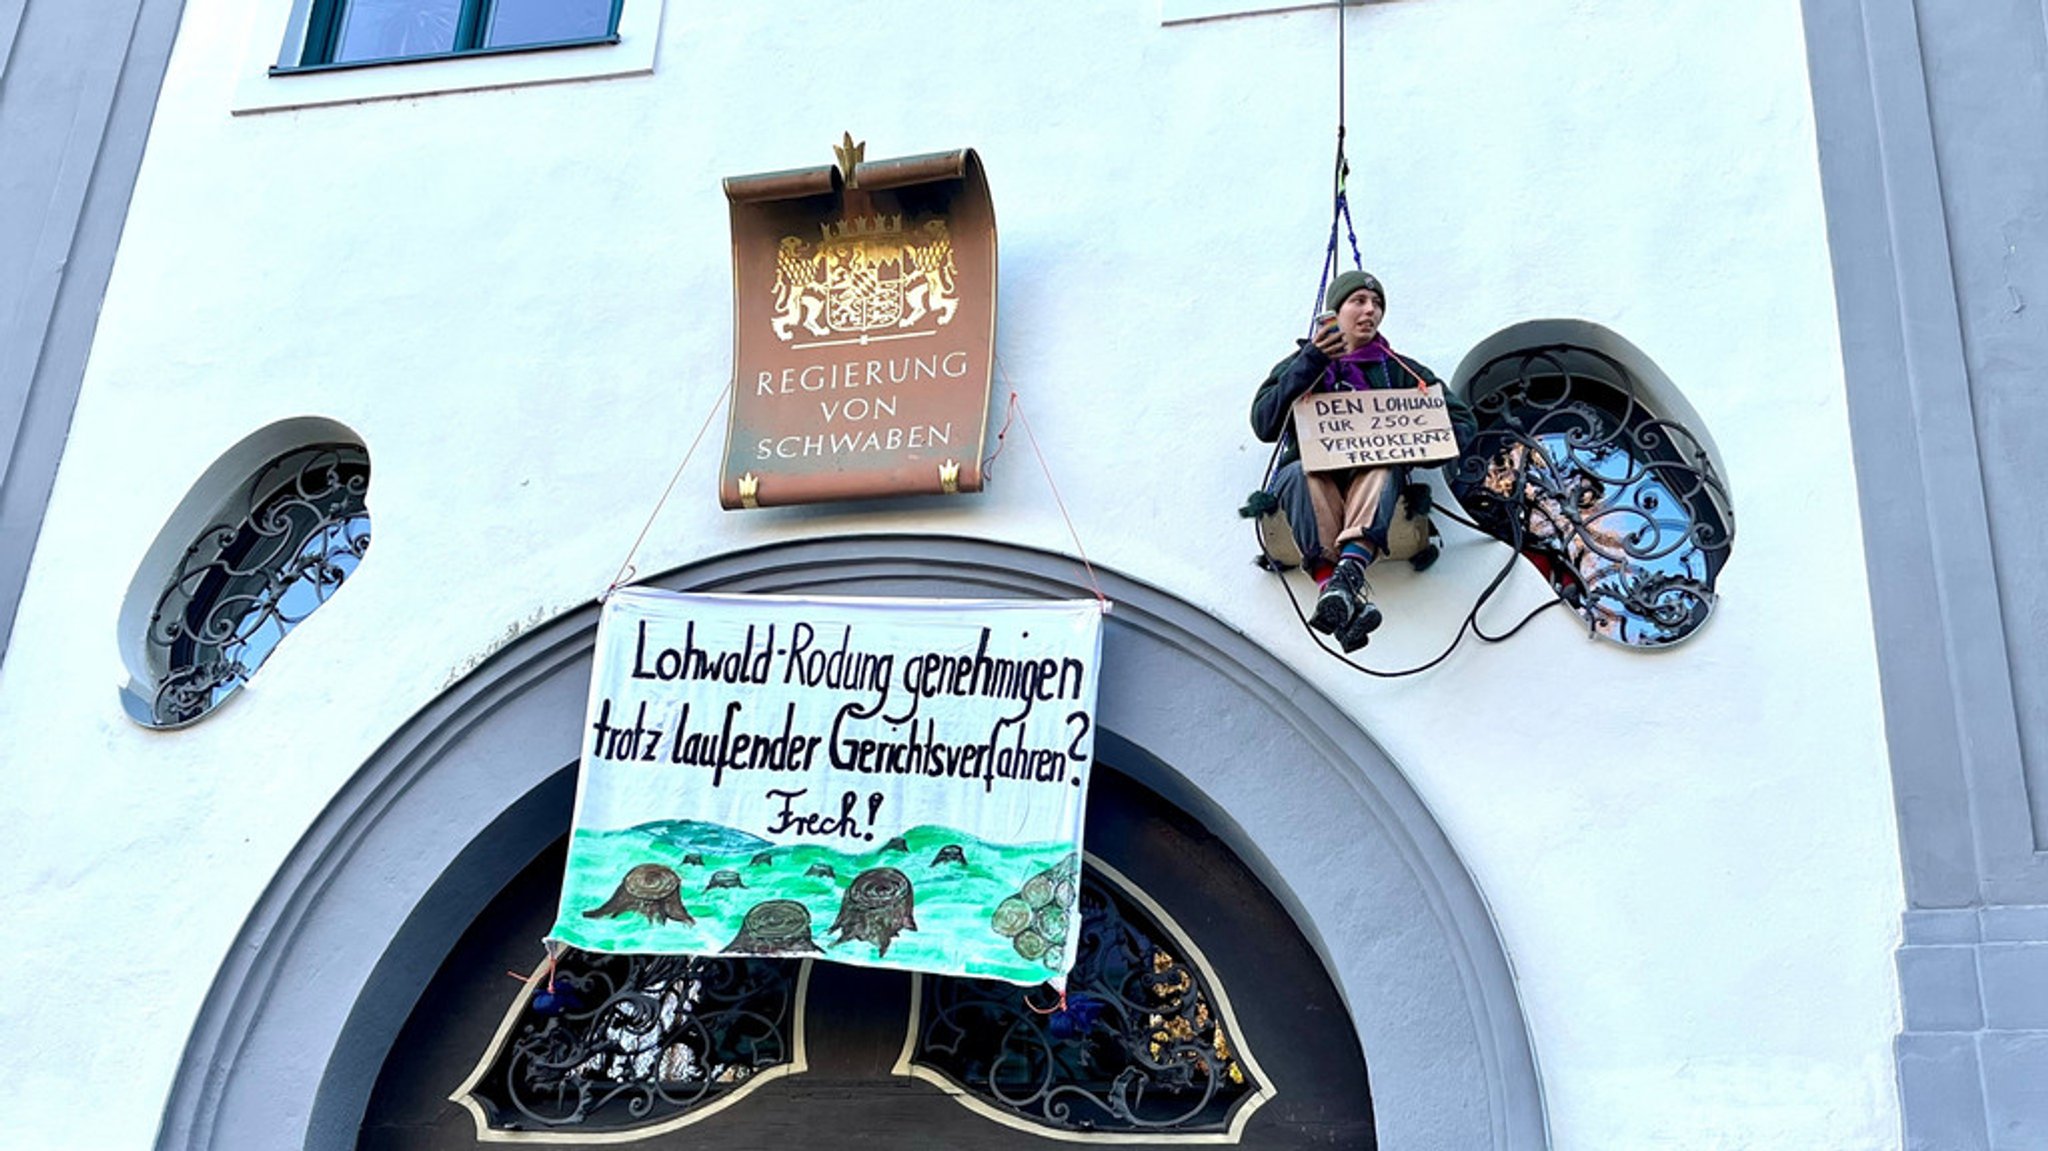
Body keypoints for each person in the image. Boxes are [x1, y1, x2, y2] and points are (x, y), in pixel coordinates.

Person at [1250, 270, 1475, 651]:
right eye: (1359, 301)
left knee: (1382, 462)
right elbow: (1264, 421)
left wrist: (1423, 442)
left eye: (1378, 304)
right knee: (1304, 472)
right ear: (1336, 311)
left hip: (1372, 479)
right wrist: (1312, 361)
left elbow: (1460, 423)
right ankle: (1336, 591)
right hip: (1312, 480)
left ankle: (1346, 574)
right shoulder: (1301, 362)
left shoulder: (1403, 371)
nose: (1370, 310)